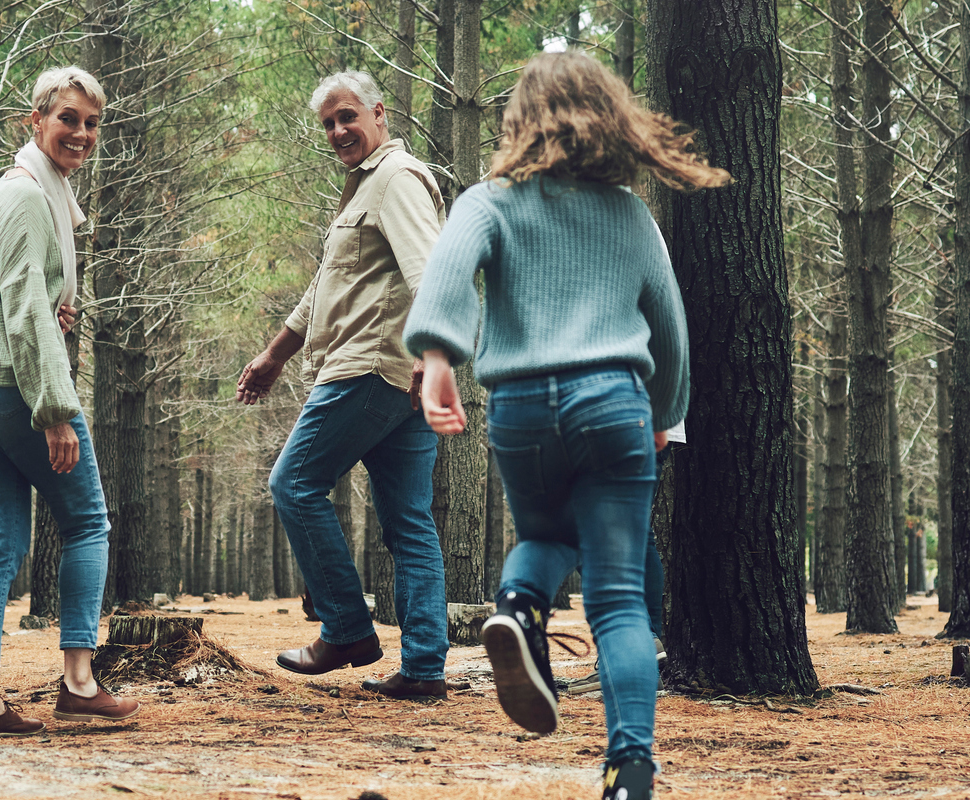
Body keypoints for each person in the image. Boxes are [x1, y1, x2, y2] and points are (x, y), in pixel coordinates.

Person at [403, 52, 729, 800]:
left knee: (544, 538)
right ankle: (630, 772)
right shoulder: (629, 213)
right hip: (615, 404)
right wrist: (665, 414)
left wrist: (439, 358)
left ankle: (519, 606)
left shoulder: (490, 200)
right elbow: (670, 328)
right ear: (612, 120)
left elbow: (448, 274)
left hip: (521, 410)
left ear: (520, 120)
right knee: (617, 597)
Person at [235, 71, 450, 699]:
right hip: (393, 376)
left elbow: (431, 271)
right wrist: (275, 355)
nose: (338, 131)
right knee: (409, 521)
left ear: (378, 113)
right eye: (329, 123)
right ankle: (424, 669)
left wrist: (432, 353)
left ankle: (347, 629)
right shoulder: (362, 189)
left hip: (373, 368)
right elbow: (327, 289)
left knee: (293, 483)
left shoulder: (396, 180)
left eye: (348, 116)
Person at [0, 66, 142, 737]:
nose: (81, 134)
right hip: (11, 389)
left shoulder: (17, 185)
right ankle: (80, 680)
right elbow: (27, 311)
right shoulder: (31, 198)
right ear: (36, 121)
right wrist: (54, 412)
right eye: (68, 119)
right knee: (87, 522)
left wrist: (2, 304)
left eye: (91, 123)